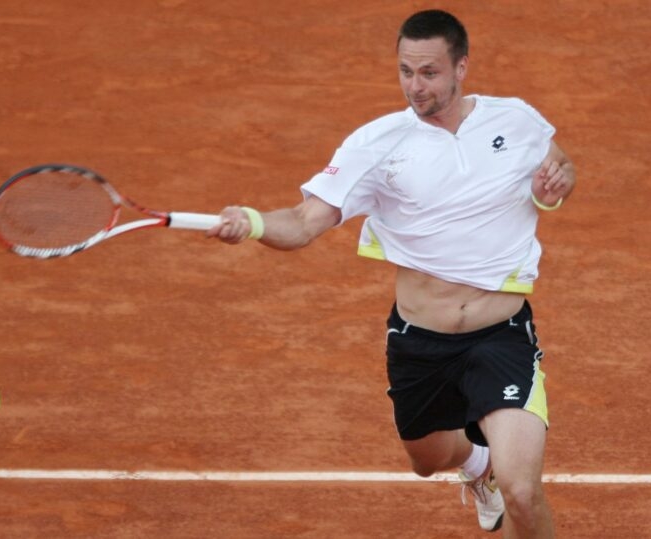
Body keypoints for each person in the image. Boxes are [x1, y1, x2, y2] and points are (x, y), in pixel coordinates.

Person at [207, 9, 574, 538]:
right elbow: (306, 221)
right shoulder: (377, 144)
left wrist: (555, 188)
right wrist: (255, 222)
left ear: (461, 67)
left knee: (522, 489)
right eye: (405, 71)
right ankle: (476, 464)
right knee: (426, 459)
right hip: (420, 341)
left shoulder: (514, 121)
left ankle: (499, 475)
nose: (414, 86)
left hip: (501, 335)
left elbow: (561, 166)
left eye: (429, 73)